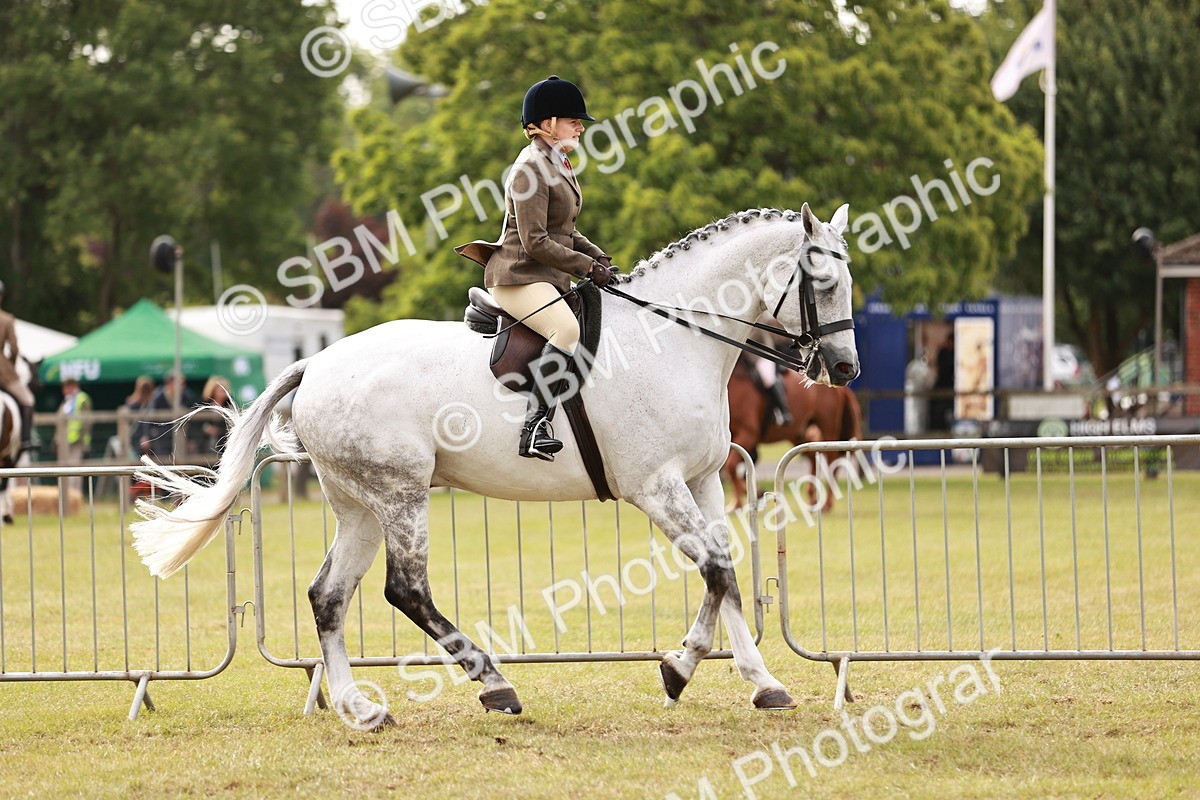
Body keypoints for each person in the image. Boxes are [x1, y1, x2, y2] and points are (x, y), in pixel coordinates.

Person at [454, 75, 615, 461]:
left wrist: (600, 257)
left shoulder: (558, 163)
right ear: (545, 124)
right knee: (565, 329)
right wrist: (585, 267)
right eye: (573, 119)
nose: (580, 125)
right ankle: (534, 427)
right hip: (517, 275)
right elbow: (535, 241)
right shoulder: (529, 168)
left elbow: (567, 231)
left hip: (543, 274)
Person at [0, 280, 37, 452]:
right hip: (3, 370)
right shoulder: (6, 319)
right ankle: (26, 440)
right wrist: (11, 365)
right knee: (28, 400)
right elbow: (14, 349)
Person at [140, 371, 200, 462]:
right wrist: (146, 435)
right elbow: (149, 418)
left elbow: (194, 419)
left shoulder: (187, 396)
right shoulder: (158, 397)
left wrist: (192, 439)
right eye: (179, 383)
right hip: (162, 435)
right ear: (170, 384)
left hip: (183, 434)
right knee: (163, 458)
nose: (182, 386)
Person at [57, 378, 92, 490]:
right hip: (64, 441)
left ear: (71, 386)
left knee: (75, 469)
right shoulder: (67, 401)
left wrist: (82, 439)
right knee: (64, 469)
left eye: (65, 387)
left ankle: (75, 495)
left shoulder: (82, 398)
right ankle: (66, 495)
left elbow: (87, 421)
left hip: (77, 441)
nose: (63, 390)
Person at [199, 375, 236, 455]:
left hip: (224, 445)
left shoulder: (230, 406)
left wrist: (219, 430)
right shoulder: (203, 405)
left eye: (225, 389)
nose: (224, 392)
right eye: (221, 390)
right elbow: (196, 424)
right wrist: (207, 428)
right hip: (205, 445)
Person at [123, 375, 156, 459]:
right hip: (135, 438)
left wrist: (147, 436)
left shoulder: (153, 403)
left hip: (152, 438)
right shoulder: (132, 405)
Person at [929, 331, 956, 430]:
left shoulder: (956, 353)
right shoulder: (943, 352)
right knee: (938, 409)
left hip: (952, 384)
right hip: (942, 384)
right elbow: (940, 368)